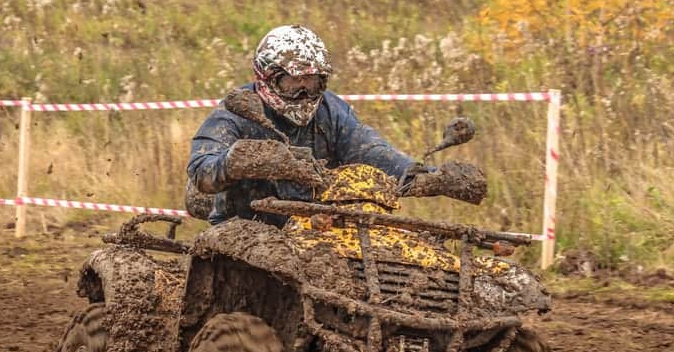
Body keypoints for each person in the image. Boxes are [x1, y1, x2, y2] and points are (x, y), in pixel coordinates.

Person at [186, 25, 471, 225]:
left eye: (311, 82)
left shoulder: (331, 112)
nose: (303, 93)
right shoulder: (236, 112)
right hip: (244, 228)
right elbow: (201, 169)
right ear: (267, 77)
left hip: (318, 228)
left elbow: (371, 151)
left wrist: (427, 177)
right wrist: (238, 161)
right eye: (292, 82)